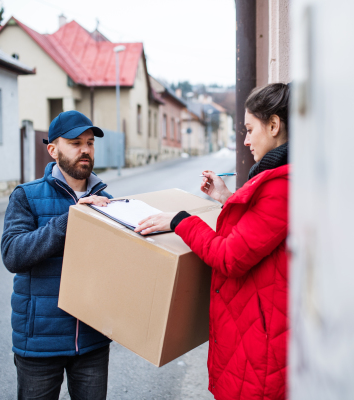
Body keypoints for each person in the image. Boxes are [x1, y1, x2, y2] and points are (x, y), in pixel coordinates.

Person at [136, 83, 290, 400]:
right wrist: (226, 197)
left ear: (273, 125)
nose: (246, 140)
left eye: (250, 130)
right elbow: (261, 230)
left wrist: (180, 221)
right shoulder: (281, 178)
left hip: (260, 345)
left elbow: (230, 257)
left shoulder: (283, 183)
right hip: (257, 330)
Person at [1, 110, 113, 400]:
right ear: (53, 150)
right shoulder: (26, 196)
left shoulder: (107, 202)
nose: (85, 149)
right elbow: (13, 255)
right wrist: (69, 220)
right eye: (75, 142)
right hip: (40, 342)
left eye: (89, 142)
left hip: (92, 340)